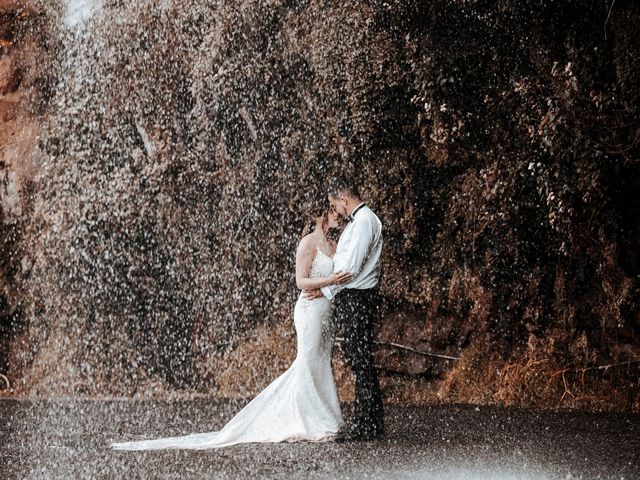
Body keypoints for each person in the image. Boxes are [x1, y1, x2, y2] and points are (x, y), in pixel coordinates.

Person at [110, 201, 351, 450]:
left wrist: (330, 286)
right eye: (333, 211)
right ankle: (309, 420)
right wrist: (329, 281)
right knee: (307, 360)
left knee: (322, 361)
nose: (338, 215)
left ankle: (324, 418)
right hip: (309, 312)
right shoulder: (308, 243)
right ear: (321, 213)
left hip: (326, 314)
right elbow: (301, 281)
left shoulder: (333, 245)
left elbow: (337, 280)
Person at [304, 177, 384, 441]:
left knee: (361, 361)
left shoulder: (363, 223)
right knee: (360, 360)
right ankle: (370, 422)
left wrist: (324, 290)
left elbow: (349, 269)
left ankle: (367, 424)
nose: (334, 210)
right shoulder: (361, 221)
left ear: (344, 200)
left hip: (357, 298)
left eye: (334, 204)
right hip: (355, 298)